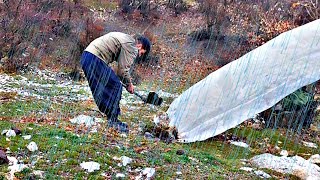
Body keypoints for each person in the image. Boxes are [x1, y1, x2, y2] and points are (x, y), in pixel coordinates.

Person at [80, 32, 151, 133]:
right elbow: (122, 70)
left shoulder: (126, 39)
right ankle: (113, 120)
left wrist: (124, 81)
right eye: (142, 53)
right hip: (94, 58)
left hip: (87, 57)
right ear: (140, 46)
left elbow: (119, 70)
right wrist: (129, 84)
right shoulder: (132, 46)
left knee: (104, 87)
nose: (139, 55)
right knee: (115, 86)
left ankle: (110, 116)